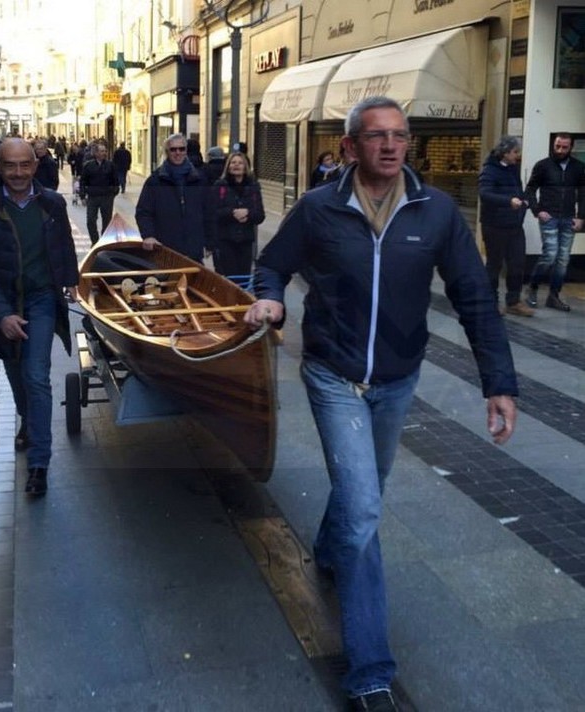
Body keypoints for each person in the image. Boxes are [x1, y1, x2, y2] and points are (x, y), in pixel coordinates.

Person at [244, 96, 518, 712]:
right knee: (366, 508)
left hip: (397, 378)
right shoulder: (318, 208)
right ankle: (370, 669)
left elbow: (474, 296)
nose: (391, 146)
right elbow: (272, 265)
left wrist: (498, 383)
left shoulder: (436, 212)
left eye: (401, 136)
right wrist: (268, 298)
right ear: (349, 147)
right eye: (376, 136)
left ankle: (329, 543)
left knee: (367, 484)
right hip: (333, 375)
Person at [0, 138, 79, 496]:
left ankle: (39, 463)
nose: (18, 173)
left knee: (36, 374)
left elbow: (63, 244)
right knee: (14, 368)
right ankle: (28, 421)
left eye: (24, 165)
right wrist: (0, 315)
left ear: (35, 165)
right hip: (4, 302)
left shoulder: (52, 203)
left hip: (42, 299)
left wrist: (71, 280)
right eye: (9, 166)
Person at [524, 132, 585, 312]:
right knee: (550, 254)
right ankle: (533, 288)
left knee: (563, 259)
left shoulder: (579, 167)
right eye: (557, 146)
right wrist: (538, 210)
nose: (560, 150)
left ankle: (554, 296)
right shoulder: (543, 166)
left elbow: (583, 194)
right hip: (549, 217)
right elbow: (530, 190)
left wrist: (581, 217)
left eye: (564, 147)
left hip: (568, 218)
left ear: (571, 147)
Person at [135, 133, 214, 261]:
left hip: (193, 250)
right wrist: (148, 235)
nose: (178, 153)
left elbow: (209, 212)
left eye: (181, 149)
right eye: (173, 149)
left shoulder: (199, 180)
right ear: (167, 152)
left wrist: (210, 242)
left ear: (186, 151)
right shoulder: (155, 180)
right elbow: (143, 212)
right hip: (165, 250)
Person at [478, 135, 534, 317]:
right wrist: (508, 201)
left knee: (517, 264)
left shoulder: (513, 168)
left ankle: (514, 301)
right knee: (494, 264)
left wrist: (525, 199)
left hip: (514, 225)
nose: (518, 155)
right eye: (515, 152)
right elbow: (485, 194)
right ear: (505, 152)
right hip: (494, 225)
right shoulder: (489, 170)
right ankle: (490, 301)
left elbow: (518, 190)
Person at [212, 151, 265, 277]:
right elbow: (212, 212)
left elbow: (260, 215)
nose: (236, 165)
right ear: (228, 166)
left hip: (245, 242)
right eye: (233, 162)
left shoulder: (253, 187)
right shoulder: (220, 186)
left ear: (245, 166)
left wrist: (247, 213)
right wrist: (232, 213)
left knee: (243, 281)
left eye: (240, 163)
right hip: (224, 241)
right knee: (227, 281)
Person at [79, 141, 118, 245]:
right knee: (90, 220)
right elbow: (83, 181)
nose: (104, 153)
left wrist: (113, 192)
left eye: (105, 151)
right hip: (93, 196)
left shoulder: (110, 165)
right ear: (95, 153)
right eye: (101, 151)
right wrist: (82, 195)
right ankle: (95, 241)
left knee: (107, 221)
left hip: (107, 197)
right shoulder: (88, 166)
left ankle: (104, 242)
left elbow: (115, 181)